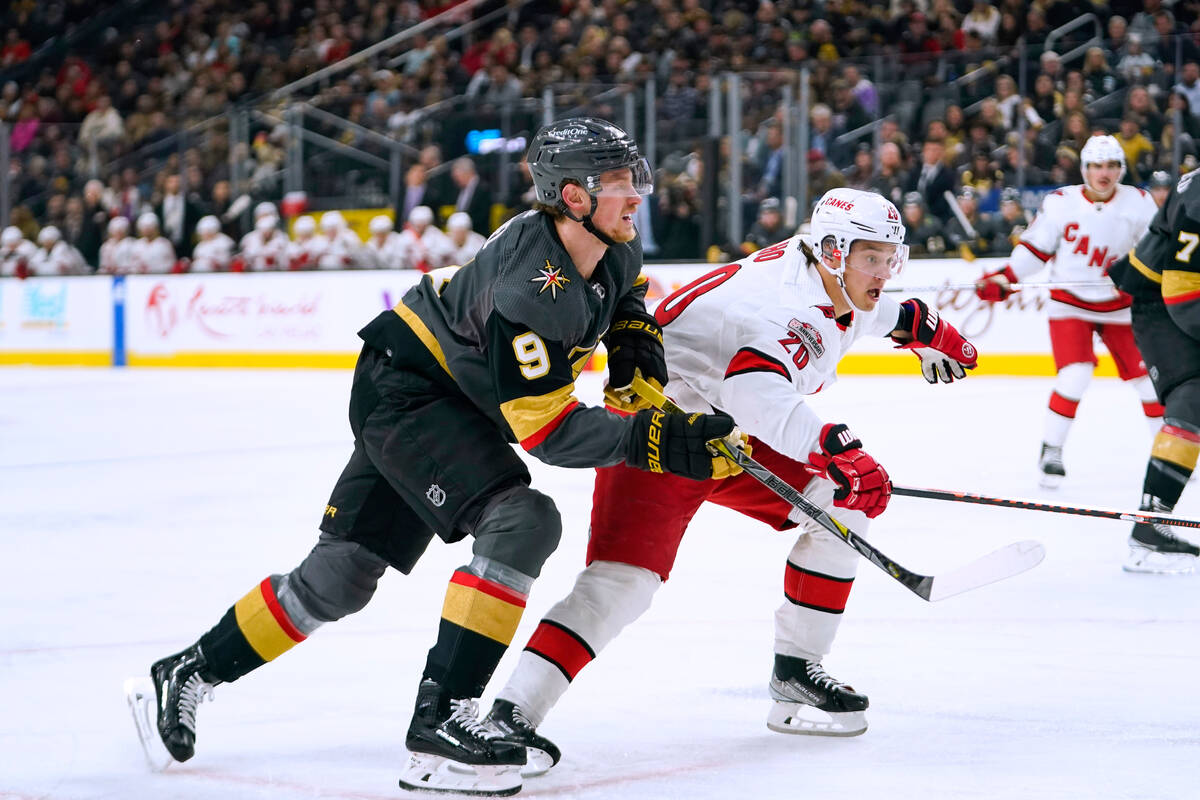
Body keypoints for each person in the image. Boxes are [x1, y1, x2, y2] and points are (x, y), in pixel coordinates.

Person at [122, 117, 741, 797]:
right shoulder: (527, 290)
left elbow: (626, 298)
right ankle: (440, 724)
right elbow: (547, 432)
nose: (637, 195)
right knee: (524, 520)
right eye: (619, 183)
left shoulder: (612, 245)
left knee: (340, 579)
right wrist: (657, 440)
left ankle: (188, 670)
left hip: (446, 394)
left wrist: (634, 344)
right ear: (573, 197)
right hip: (407, 394)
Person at [484, 188, 979, 774]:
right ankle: (510, 715)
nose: (884, 271)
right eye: (873, 257)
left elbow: (886, 313)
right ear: (832, 249)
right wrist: (838, 449)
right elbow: (757, 390)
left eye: (890, 257)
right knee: (623, 584)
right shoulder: (780, 306)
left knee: (842, 510)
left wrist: (932, 333)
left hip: (733, 433)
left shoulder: (832, 273)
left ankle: (797, 673)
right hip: (663, 432)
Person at [975, 135, 1161, 488]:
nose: (1103, 174)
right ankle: (1052, 450)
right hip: (1069, 302)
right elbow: (1036, 249)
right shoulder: (1061, 203)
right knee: (1075, 375)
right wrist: (1007, 276)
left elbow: (1156, 252)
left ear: (1121, 169)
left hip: (1121, 306)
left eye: (1110, 166)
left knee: (1148, 382)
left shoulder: (1139, 203)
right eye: (1095, 166)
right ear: (1084, 169)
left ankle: (1169, 454)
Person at [1108, 172, 1200, 573]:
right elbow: (1183, 293)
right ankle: (1151, 525)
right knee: (1193, 396)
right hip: (1163, 302)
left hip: (1176, 289)